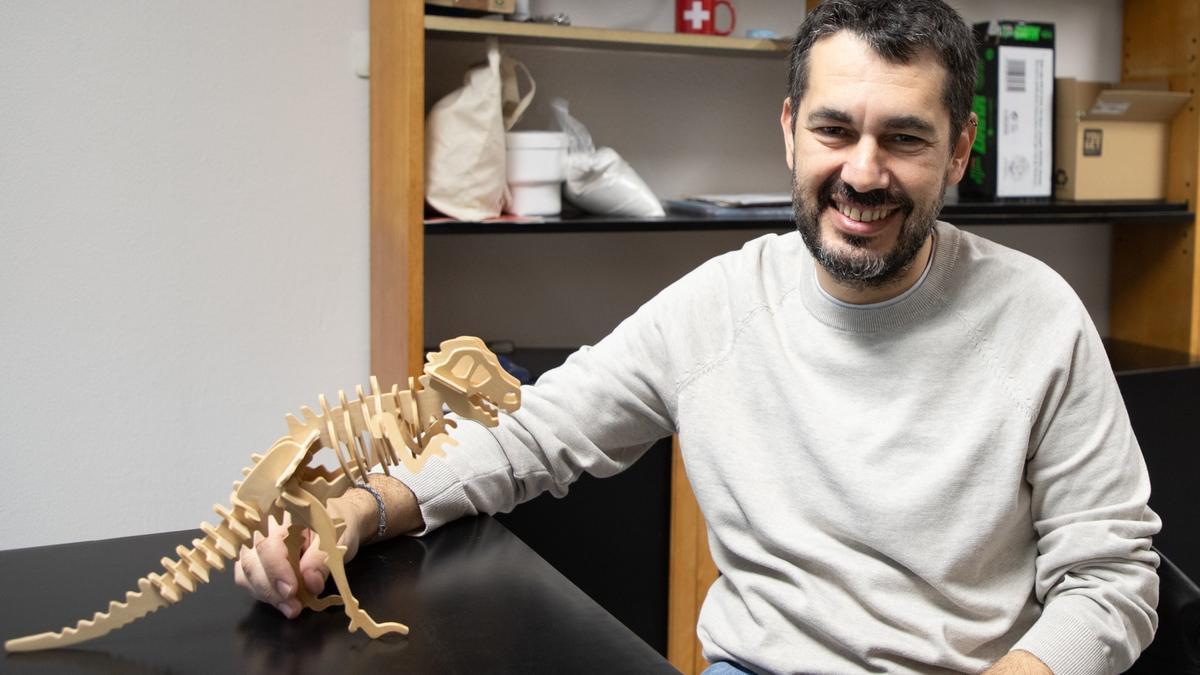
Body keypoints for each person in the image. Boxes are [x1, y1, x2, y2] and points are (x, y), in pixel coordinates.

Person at [236, 1, 1160, 672]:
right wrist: (361, 508)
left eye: (905, 139)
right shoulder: (718, 306)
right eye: (835, 128)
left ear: (959, 151)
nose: (863, 172)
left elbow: (1114, 577)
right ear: (791, 132)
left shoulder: (1041, 319)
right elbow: (532, 432)